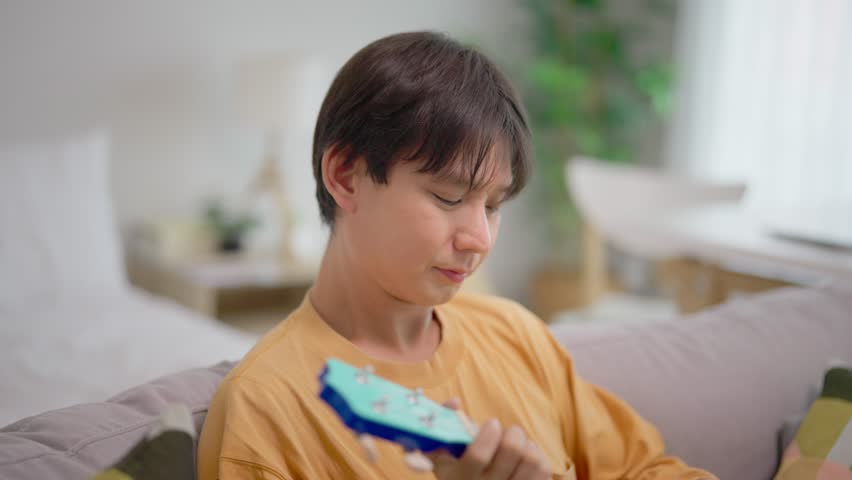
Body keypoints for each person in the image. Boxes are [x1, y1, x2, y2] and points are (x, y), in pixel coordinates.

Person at [197, 31, 715, 480]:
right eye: (448, 197)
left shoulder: (516, 335)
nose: (480, 239)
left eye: (493, 206)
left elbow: (648, 469)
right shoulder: (265, 408)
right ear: (345, 176)